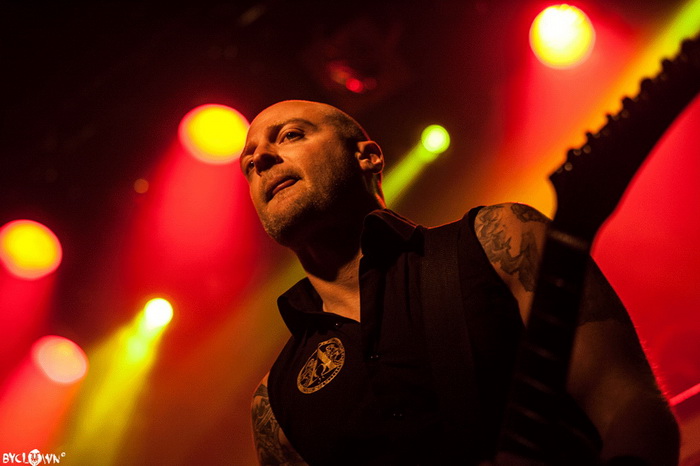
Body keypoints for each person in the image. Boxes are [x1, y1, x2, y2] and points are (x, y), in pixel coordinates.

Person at [242, 100, 679, 465]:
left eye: (290, 135)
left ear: (367, 156)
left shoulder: (500, 239)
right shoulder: (272, 404)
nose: (260, 160)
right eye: (248, 163)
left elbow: (629, 408)